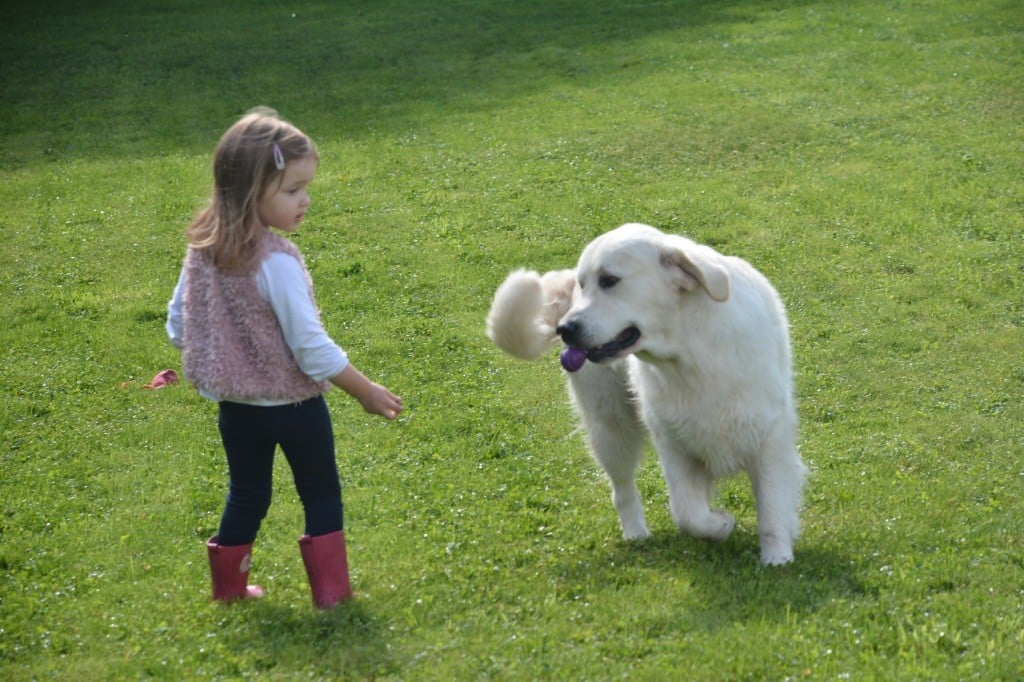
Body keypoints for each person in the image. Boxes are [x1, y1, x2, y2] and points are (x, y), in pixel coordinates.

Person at [166, 107, 403, 609]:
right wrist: (366, 392)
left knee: (247, 495)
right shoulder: (277, 262)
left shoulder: (202, 253)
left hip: (236, 410)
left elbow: (178, 324)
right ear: (253, 190)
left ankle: (228, 591)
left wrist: (223, 354)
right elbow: (310, 348)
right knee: (320, 493)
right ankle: (333, 595)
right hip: (297, 409)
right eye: (293, 190)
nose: (306, 200)